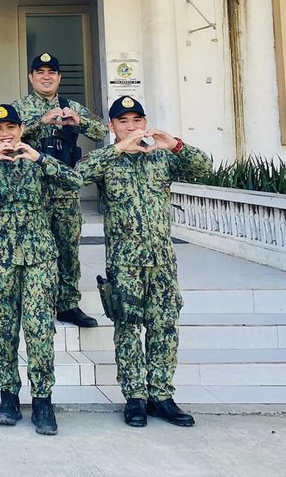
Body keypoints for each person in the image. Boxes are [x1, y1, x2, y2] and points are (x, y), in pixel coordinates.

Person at [78, 96, 210, 429]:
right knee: (127, 331)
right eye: (123, 121)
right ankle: (135, 397)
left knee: (164, 330)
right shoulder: (108, 160)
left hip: (162, 262)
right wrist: (118, 149)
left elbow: (205, 168)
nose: (132, 126)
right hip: (125, 264)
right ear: (112, 127)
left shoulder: (162, 159)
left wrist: (175, 144)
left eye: (137, 120)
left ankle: (162, 396)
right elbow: (76, 176)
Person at [0, 104, 85, 436]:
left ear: (21, 129)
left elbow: (75, 180)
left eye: (11, 127)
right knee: (5, 329)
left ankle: (43, 401)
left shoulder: (39, 164)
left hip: (40, 257)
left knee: (40, 330)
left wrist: (40, 158)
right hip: (1, 260)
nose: (6, 134)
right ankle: (9, 397)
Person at [13, 52, 109, 329]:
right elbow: (7, 135)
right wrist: (39, 121)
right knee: (32, 248)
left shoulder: (70, 106)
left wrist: (79, 122)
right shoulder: (20, 107)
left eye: (51, 73)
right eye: (40, 72)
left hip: (65, 190)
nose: (46, 77)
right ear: (31, 77)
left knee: (67, 247)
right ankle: (35, 301)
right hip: (33, 192)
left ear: (59, 78)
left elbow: (101, 131)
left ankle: (67, 304)